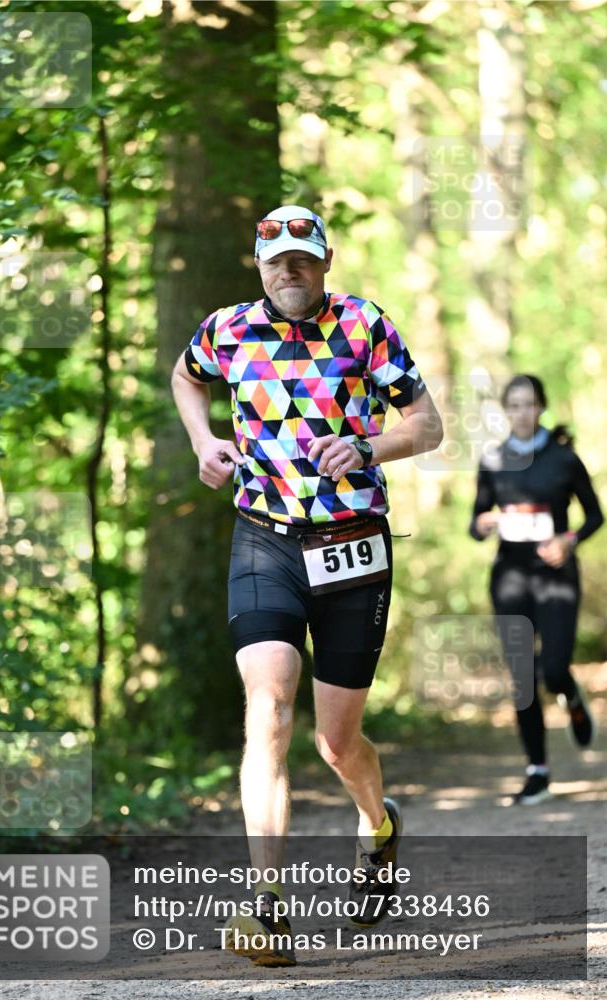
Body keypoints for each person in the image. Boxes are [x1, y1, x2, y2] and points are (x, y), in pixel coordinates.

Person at [171, 204, 443, 966]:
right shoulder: (225, 330)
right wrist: (204, 439)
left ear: (324, 262)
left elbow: (426, 426)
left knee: (334, 740)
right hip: (264, 538)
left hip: (352, 546)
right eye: (274, 260)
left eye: (302, 258)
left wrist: (364, 446)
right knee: (268, 705)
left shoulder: (362, 325)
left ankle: (377, 824)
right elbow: (184, 378)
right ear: (257, 266)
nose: (288, 270)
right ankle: (267, 908)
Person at [470, 374, 604, 806]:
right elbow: (475, 523)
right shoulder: (492, 459)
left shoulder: (563, 458)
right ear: (505, 411)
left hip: (556, 577)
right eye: (514, 405)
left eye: (529, 404)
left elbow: (595, 516)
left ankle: (571, 696)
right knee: (523, 677)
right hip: (510, 577)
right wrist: (484, 523)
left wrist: (569, 541)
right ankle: (537, 772)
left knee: (554, 667)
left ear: (541, 407)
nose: (522, 412)